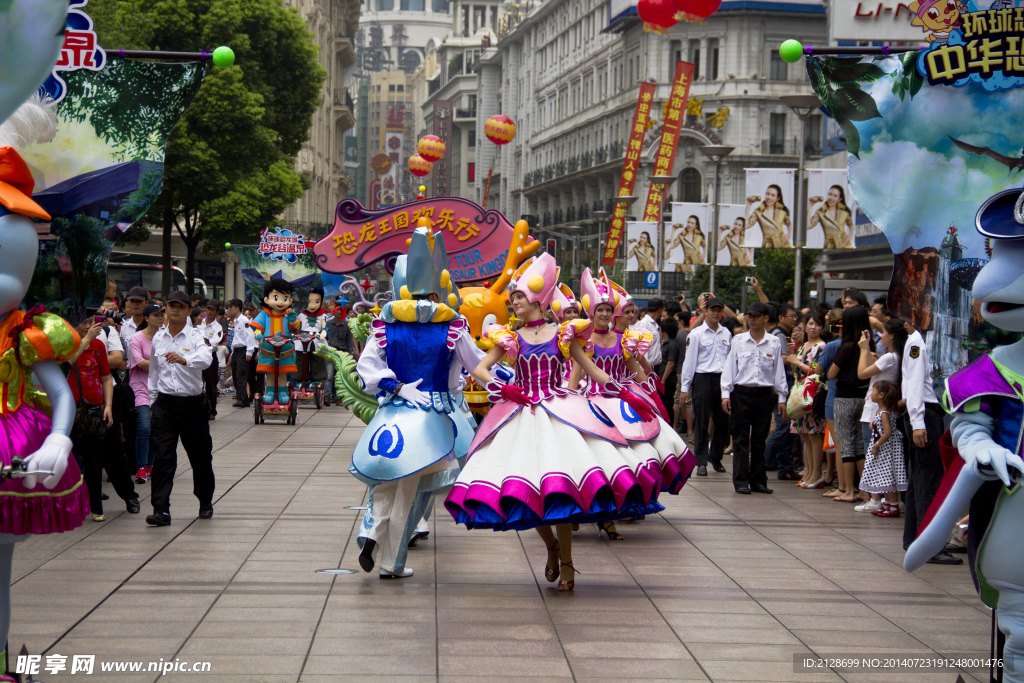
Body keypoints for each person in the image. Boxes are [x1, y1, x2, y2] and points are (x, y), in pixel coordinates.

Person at [446, 256, 665, 591]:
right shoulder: (511, 338)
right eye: (513, 298)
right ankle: (550, 546)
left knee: (561, 490)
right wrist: (504, 388)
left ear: (537, 299)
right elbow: (479, 367)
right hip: (520, 416)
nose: (514, 302)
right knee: (524, 488)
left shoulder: (564, 334)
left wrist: (627, 393)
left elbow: (591, 371)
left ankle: (567, 563)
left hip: (559, 413)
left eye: (518, 296)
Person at [354, 227, 484, 578]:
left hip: (393, 410)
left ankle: (369, 531)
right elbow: (479, 366)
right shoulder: (452, 326)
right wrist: (515, 381)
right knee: (409, 487)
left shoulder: (386, 325)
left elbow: (365, 366)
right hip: (432, 414)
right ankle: (390, 563)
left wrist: (394, 386)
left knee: (384, 478)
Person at [145, 291, 216, 526]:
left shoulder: (197, 336)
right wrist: (153, 401)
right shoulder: (159, 338)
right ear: (165, 308)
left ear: (188, 310)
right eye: (171, 306)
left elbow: (206, 360)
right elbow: (154, 371)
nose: (175, 310)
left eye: (180, 306)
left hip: (192, 406)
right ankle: (161, 510)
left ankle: (205, 501)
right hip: (165, 405)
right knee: (164, 458)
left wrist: (185, 360)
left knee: (200, 457)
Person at [67, 317, 140, 521]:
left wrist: (107, 406)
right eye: (84, 322)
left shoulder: (98, 344)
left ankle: (129, 496)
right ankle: (84, 505)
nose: (90, 326)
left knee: (114, 455)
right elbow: (66, 363)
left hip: (98, 411)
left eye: (92, 322)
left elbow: (106, 378)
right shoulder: (64, 345)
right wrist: (85, 339)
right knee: (76, 460)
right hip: (70, 411)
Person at [901, 321, 961, 564]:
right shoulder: (919, 341)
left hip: (930, 413)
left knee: (919, 482)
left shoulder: (935, 338)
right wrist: (917, 422)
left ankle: (916, 540)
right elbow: (914, 384)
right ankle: (928, 545)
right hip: (924, 413)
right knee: (928, 482)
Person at [721, 302, 788, 494]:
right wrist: (726, 393)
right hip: (741, 393)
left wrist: (782, 397)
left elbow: (778, 371)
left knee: (759, 439)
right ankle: (741, 480)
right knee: (741, 438)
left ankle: (758, 480)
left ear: (765, 318)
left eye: (756, 316)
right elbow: (730, 368)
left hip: (764, 395)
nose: (752, 319)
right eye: (749, 316)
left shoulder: (774, 342)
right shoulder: (739, 340)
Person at [855, 319, 905, 512]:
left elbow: (862, 373)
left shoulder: (890, 357)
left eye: (883, 332)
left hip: (875, 411)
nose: (881, 335)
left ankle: (875, 499)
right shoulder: (894, 356)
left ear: (892, 335)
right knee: (885, 460)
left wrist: (863, 349)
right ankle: (891, 500)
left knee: (874, 457)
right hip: (882, 409)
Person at [679, 296, 731, 476]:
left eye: (718, 310)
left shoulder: (726, 333)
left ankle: (715, 457)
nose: (716, 313)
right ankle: (700, 461)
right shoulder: (696, 334)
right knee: (701, 419)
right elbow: (689, 362)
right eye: (712, 310)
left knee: (723, 420)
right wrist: (685, 388)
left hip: (722, 379)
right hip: (702, 378)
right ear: (705, 312)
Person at [827, 306, 874, 503]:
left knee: (846, 445)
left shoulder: (845, 347)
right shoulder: (869, 347)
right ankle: (864, 490)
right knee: (860, 445)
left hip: (844, 397)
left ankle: (847, 490)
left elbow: (831, 374)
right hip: (863, 398)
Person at [789, 311, 828, 488]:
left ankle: (817, 474)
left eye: (817, 324)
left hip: (812, 394)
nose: (812, 327)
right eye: (810, 324)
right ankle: (809, 472)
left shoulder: (821, 347)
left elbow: (816, 372)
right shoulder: (803, 345)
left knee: (814, 434)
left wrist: (796, 362)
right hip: (799, 394)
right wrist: (792, 356)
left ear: (822, 327)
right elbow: (796, 369)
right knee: (804, 435)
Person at [861, 380, 908, 517]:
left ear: (881, 395)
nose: (871, 393)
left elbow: (887, 433)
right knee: (884, 478)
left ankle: (893, 507)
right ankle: (887, 505)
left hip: (886, 450)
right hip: (884, 450)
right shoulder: (882, 412)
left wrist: (876, 445)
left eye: (874, 391)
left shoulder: (885, 413)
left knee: (888, 478)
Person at [129, 304, 164, 484]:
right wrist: (161, 362)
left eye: (161, 315)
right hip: (140, 388)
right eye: (156, 315)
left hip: (160, 388)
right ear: (147, 318)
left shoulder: (165, 337)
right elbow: (139, 363)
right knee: (144, 426)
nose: (160, 318)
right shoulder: (136, 338)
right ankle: (141, 466)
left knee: (155, 427)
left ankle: (150, 464)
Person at [250, 279, 299, 406]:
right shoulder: (264, 314)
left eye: (285, 298)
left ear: (290, 300)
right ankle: (270, 392)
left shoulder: (288, 314)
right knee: (270, 372)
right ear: (267, 299)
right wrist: (258, 334)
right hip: (268, 348)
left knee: (282, 372)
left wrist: (293, 321)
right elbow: (257, 327)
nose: (281, 302)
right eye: (276, 297)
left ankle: (283, 392)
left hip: (285, 348)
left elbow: (296, 327)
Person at [764, 303, 799, 479]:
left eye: (795, 316)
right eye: (791, 316)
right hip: (781, 386)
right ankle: (762, 459)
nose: (794, 319)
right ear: (781, 318)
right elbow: (783, 360)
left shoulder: (783, 334)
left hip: (786, 385)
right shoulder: (778, 335)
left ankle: (785, 466)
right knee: (784, 426)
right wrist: (795, 357)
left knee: (790, 428)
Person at [325, 302, 357, 406]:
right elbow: (324, 338)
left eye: (341, 310)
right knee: (329, 376)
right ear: (334, 311)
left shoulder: (346, 325)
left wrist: (349, 353)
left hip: (342, 353)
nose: (339, 312)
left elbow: (349, 340)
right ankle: (326, 397)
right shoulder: (328, 324)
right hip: (330, 352)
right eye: (337, 309)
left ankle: (339, 397)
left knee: (339, 376)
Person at [225, 299, 256, 407]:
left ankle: (243, 400)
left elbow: (250, 336)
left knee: (241, 375)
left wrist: (249, 352)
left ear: (237, 308)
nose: (229, 309)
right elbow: (236, 338)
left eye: (231, 307)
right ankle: (240, 398)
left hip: (243, 350)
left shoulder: (244, 320)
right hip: (237, 351)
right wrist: (233, 352)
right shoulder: (237, 321)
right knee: (235, 375)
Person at [807, 184, 855, 249]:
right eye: (830, 194)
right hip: (829, 245)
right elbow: (808, 226)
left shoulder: (844, 211)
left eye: (835, 196)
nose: (831, 198)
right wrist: (810, 205)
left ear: (840, 199)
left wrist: (850, 237)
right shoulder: (820, 212)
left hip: (844, 244)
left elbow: (851, 224)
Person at [746, 184, 792, 248]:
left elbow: (789, 223)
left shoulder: (782, 210)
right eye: (767, 194)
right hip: (768, 244)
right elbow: (746, 225)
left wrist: (789, 235)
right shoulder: (758, 211)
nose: (769, 197)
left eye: (773, 195)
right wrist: (748, 206)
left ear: (777, 198)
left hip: (782, 243)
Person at [199, 300, 224, 419]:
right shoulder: (199, 322)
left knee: (210, 384)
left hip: (210, 357)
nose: (209, 312)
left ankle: (212, 410)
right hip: (198, 356)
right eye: (208, 309)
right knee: (197, 382)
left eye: (212, 310)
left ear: (216, 312)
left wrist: (201, 344)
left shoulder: (217, 327)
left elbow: (213, 344)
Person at [657, 318, 681, 430]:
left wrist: (663, 379)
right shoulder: (665, 344)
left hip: (668, 379)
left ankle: (670, 426)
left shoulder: (672, 345)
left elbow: (670, 363)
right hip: (663, 378)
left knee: (667, 404)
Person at [630, 297, 664, 368]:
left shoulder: (654, 324)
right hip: (646, 368)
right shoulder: (644, 324)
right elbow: (641, 350)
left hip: (653, 367)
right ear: (660, 310)